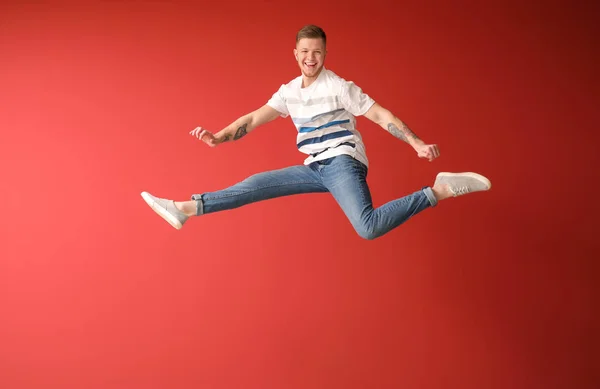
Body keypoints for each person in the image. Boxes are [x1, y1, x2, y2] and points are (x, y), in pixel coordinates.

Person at [141, 24, 491, 239]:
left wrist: (415, 143)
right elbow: (253, 118)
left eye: (318, 52)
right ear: (296, 54)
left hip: (342, 162)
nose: (311, 58)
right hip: (315, 168)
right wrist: (218, 137)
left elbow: (380, 113)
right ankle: (184, 209)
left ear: (325, 55)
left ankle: (440, 189)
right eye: (305, 52)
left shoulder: (339, 86)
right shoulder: (289, 91)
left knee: (367, 227)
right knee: (253, 186)